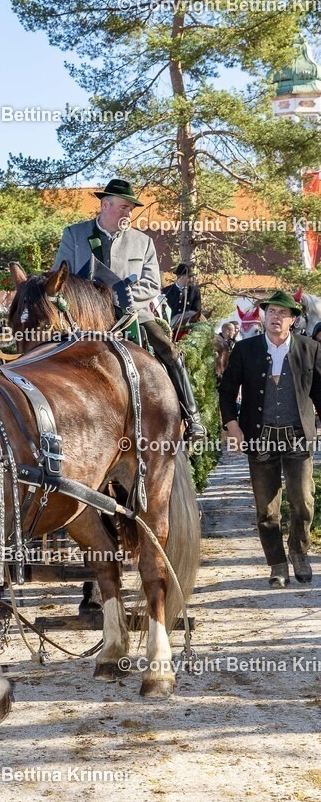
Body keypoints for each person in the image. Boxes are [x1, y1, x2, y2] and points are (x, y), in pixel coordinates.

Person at [54, 177, 207, 441]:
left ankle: (192, 418)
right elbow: (60, 277)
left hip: (133, 314)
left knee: (168, 350)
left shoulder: (143, 241)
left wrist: (120, 298)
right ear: (105, 205)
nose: (129, 213)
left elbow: (151, 285)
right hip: (84, 317)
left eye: (131, 209)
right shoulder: (75, 235)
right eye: (124, 207)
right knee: (48, 350)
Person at [219, 290, 321, 587]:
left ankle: (299, 552)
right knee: (267, 509)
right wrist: (233, 427)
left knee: (303, 502)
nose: (275, 317)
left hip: (298, 435)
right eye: (271, 312)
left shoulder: (309, 349)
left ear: (293, 320)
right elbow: (226, 392)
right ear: (264, 317)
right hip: (260, 437)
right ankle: (277, 564)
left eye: (282, 313)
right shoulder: (245, 350)